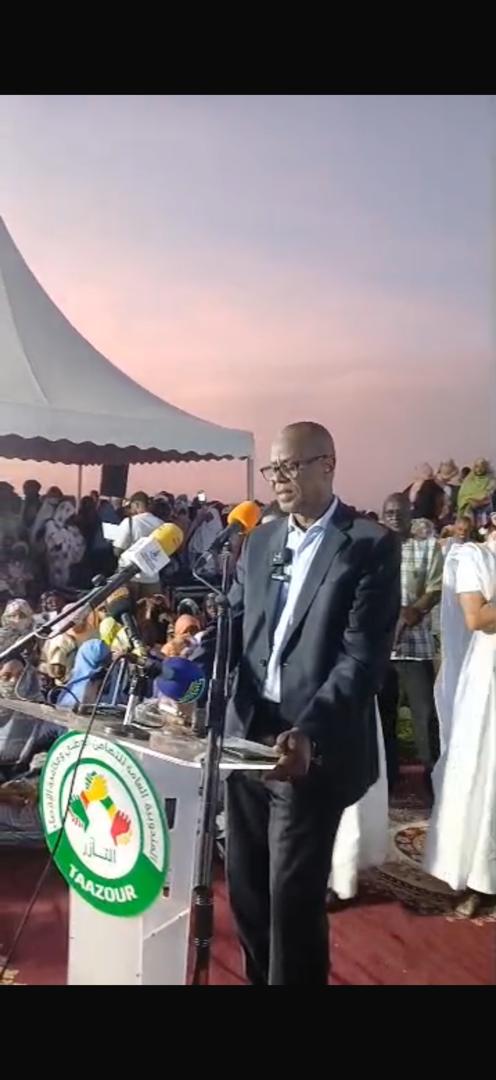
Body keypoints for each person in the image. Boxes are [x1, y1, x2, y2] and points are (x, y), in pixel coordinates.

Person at [216, 421, 400, 986]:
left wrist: (309, 732)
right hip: (248, 737)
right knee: (247, 890)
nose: (279, 478)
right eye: (274, 468)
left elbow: (361, 660)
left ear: (328, 464)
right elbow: (236, 625)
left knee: (291, 901)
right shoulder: (261, 541)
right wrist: (194, 660)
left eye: (291, 466)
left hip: (307, 748)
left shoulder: (368, 544)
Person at [424, 514, 496, 916]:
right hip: (489, 679)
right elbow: (477, 618)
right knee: (486, 772)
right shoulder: (475, 557)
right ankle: (479, 877)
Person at [379, 493, 443, 797]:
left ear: (410, 513)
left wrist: (412, 612)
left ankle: (433, 782)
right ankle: (388, 781)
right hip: (380, 650)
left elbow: (436, 587)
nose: (394, 517)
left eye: (399, 512)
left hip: (415, 648)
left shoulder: (426, 546)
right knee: (384, 718)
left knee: (425, 715)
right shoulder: (373, 550)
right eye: (388, 512)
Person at [113, 492, 163, 598]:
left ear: (136, 504)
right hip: (152, 577)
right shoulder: (161, 524)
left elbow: (118, 550)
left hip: (129, 576)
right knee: (151, 607)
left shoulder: (130, 522)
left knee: (128, 606)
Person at [457, 458, 495, 528]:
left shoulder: (491, 481)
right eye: (477, 466)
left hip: (485, 513)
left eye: (482, 467)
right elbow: (462, 496)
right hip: (468, 513)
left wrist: (479, 502)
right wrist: (469, 500)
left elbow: (489, 496)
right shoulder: (468, 480)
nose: (479, 469)